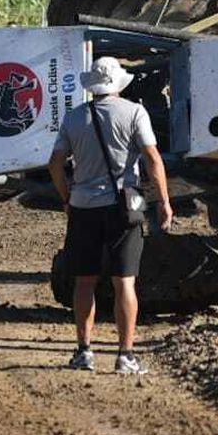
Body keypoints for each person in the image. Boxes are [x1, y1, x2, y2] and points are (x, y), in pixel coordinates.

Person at [47, 57, 173, 374]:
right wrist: (164, 201)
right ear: (118, 84)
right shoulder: (134, 112)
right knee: (124, 283)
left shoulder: (74, 118)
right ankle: (125, 356)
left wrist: (66, 198)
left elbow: (55, 164)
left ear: (93, 86)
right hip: (123, 209)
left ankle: (84, 352)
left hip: (83, 208)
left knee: (84, 283)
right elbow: (152, 160)